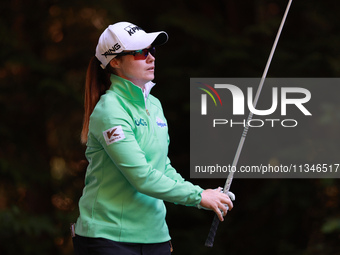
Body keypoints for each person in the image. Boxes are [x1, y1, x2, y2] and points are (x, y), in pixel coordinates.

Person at [73, 21, 234, 255]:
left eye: (152, 51)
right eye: (141, 52)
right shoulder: (110, 110)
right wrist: (199, 197)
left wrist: (204, 194)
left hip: (155, 236)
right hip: (107, 238)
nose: (151, 58)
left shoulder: (154, 105)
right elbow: (141, 176)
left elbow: (161, 167)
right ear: (115, 61)